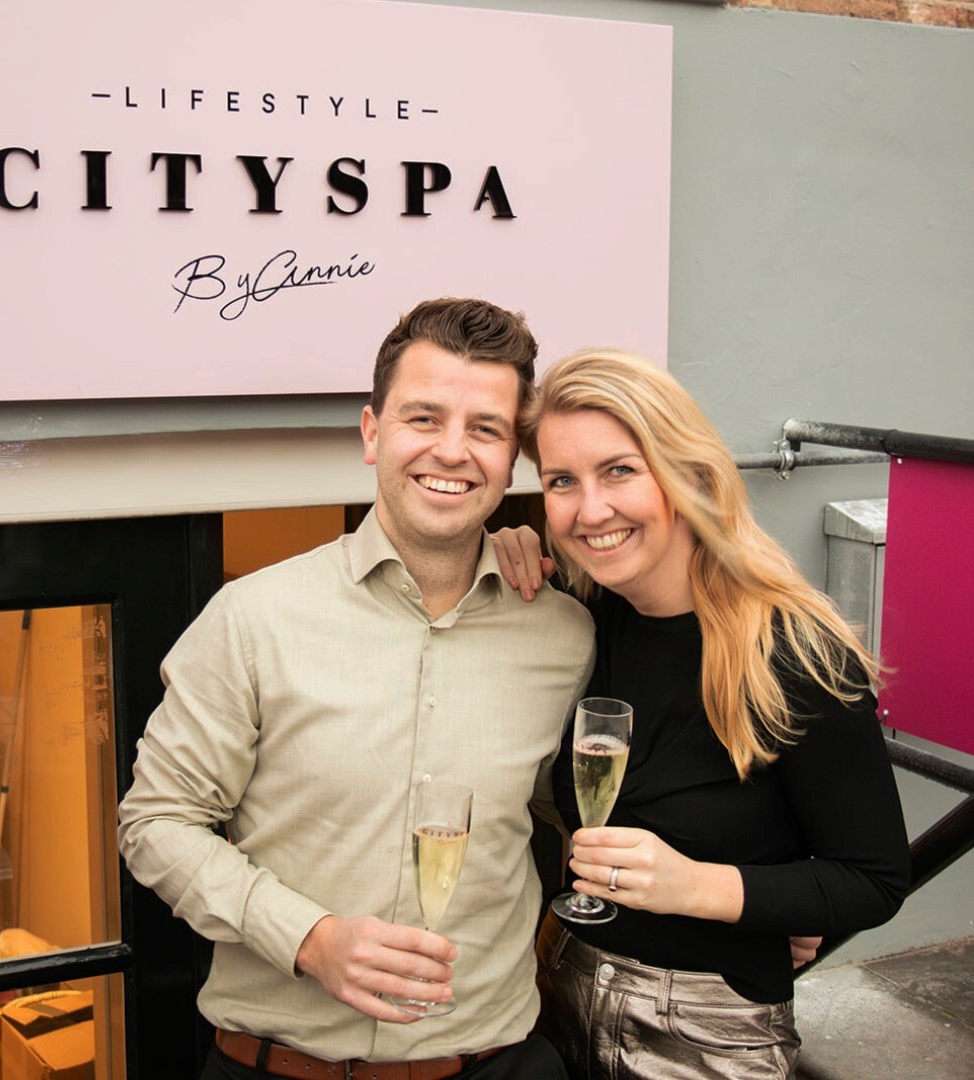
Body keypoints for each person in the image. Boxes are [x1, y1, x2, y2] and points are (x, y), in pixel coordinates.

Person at [117, 298, 597, 1080]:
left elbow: (594, 812)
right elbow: (157, 822)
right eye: (423, 418)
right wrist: (308, 939)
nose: (452, 451)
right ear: (373, 432)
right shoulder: (253, 619)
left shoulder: (565, 634)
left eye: (485, 429)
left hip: (497, 1062)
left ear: (514, 457)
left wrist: (759, 896)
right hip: (278, 1067)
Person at [491, 348, 911, 1079]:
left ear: (687, 473)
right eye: (562, 481)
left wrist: (700, 887)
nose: (590, 510)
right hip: (554, 996)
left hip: (705, 1038)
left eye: (620, 470)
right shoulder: (584, 620)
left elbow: (874, 879)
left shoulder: (795, 654)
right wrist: (493, 546)